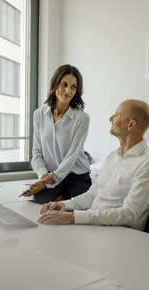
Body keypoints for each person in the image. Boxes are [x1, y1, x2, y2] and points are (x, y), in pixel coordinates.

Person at [37, 99, 149, 231]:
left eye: (117, 114)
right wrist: (63, 205)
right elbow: (92, 196)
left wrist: (73, 217)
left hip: (119, 235)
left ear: (131, 125)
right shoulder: (112, 157)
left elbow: (129, 215)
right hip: (96, 227)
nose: (111, 118)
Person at [24, 64, 91, 204]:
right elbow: (36, 153)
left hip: (76, 176)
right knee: (40, 203)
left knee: (72, 209)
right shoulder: (39, 114)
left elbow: (72, 156)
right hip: (50, 175)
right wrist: (43, 177)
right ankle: (60, 198)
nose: (68, 90)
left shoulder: (82, 118)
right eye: (64, 84)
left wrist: (48, 183)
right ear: (55, 84)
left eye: (73, 87)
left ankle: (62, 199)